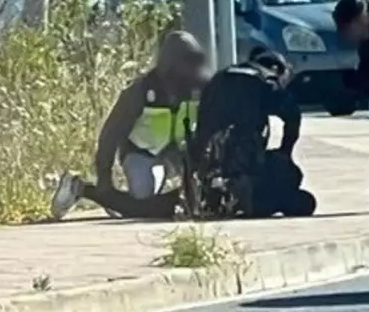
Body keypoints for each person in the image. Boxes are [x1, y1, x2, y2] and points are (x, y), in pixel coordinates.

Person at [49, 30, 210, 221]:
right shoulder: (141, 91)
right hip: (141, 153)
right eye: (187, 62)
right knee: (143, 202)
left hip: (179, 154)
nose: (192, 69)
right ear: (170, 65)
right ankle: (82, 187)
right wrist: (104, 179)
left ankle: (120, 202)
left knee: (195, 199)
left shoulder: (202, 87)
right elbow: (111, 134)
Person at [190, 50, 315, 218]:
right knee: (292, 176)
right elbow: (293, 116)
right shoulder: (268, 79)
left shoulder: (219, 77)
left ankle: (215, 196)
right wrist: (285, 152)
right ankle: (248, 199)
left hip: (210, 163)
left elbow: (202, 125)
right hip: (244, 162)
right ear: (277, 68)